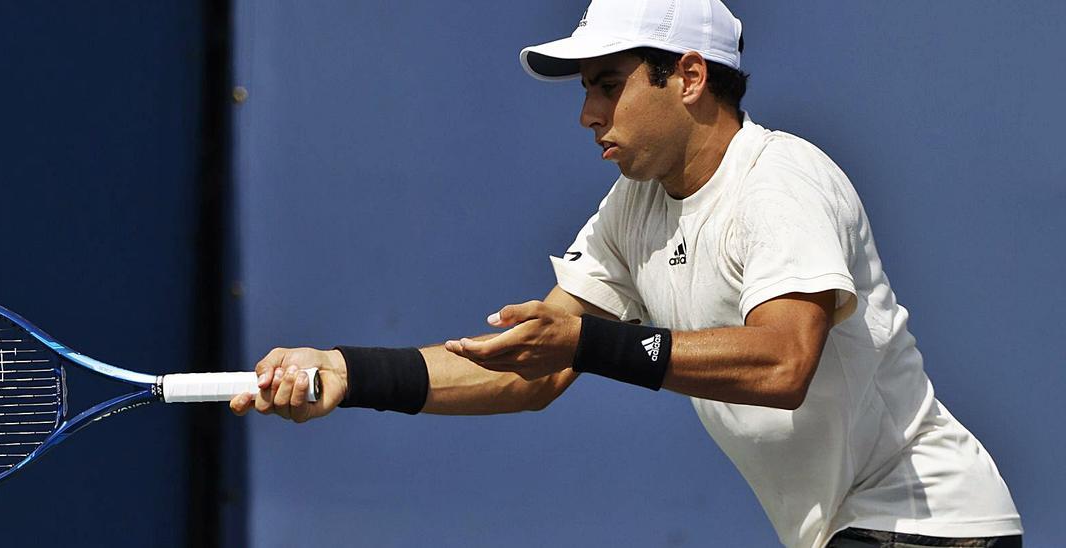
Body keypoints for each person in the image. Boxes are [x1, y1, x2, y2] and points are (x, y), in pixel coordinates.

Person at [229, 1, 1023, 546]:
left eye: (609, 85)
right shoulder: (631, 210)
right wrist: (345, 372)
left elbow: (784, 361)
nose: (587, 114)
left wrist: (589, 346)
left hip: (931, 523)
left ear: (688, 76)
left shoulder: (781, 181)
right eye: (587, 91)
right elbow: (530, 372)